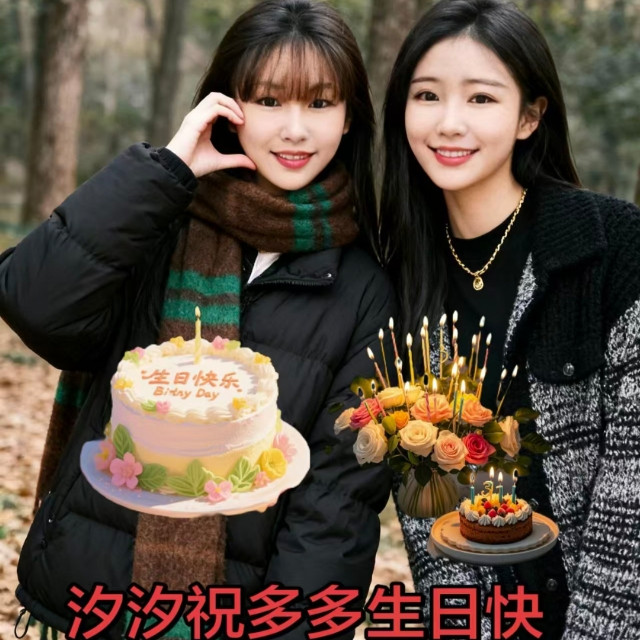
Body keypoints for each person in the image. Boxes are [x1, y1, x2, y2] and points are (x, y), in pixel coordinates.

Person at [0, 1, 395, 638]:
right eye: (269, 100)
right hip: (88, 605)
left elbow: (336, 505)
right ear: (228, 106)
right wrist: (167, 170)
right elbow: (36, 304)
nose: (295, 129)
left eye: (320, 103)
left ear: (350, 117)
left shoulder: (365, 289)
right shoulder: (156, 222)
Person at [379, 0, 640, 638]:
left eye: (481, 98)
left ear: (530, 116)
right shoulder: (398, 276)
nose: (449, 123)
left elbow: (631, 495)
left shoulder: (614, 249)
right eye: (427, 95)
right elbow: (429, 510)